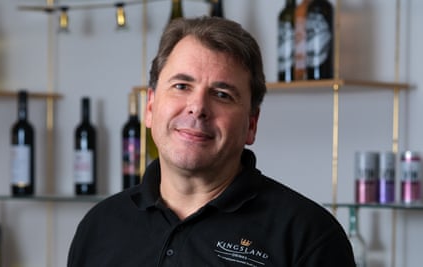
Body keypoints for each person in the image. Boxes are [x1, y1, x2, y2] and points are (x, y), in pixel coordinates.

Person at [67, 16, 355, 266]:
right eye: (181, 86)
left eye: (222, 94)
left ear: (251, 125)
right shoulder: (99, 226)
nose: (198, 107)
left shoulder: (308, 237)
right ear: (151, 107)